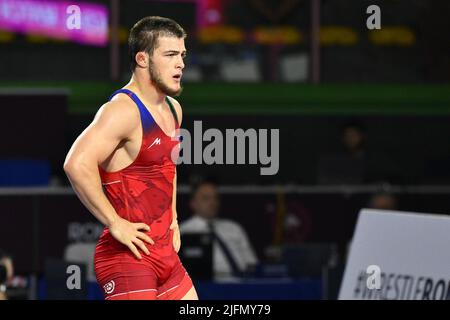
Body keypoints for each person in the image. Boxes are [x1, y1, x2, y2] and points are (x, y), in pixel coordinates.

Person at [64, 16, 197, 300]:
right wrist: (114, 223)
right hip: (128, 259)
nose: (181, 64)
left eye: (182, 55)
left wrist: (173, 217)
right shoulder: (122, 111)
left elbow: (167, 167)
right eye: (171, 55)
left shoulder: (174, 108)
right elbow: (76, 163)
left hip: (165, 256)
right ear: (143, 59)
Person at [180, 181, 259, 280]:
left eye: (215, 198)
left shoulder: (234, 228)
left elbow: (252, 262)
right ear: (193, 204)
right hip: (206, 287)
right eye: (206, 198)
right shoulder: (183, 232)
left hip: (243, 283)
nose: (212, 202)